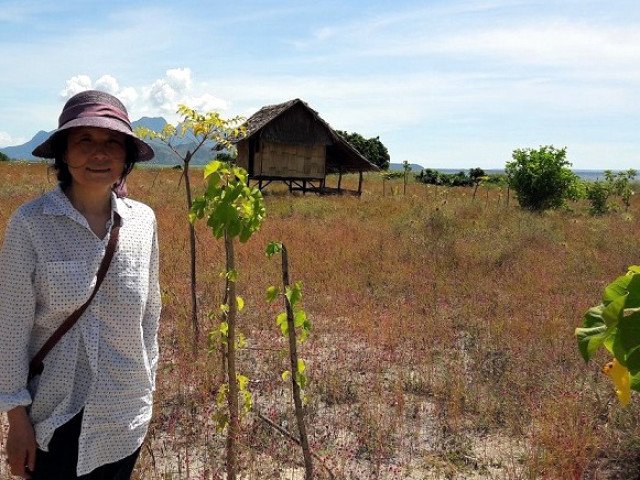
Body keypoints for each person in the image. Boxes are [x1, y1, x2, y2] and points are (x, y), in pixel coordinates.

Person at [0, 90, 161, 479]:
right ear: (63, 153)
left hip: (124, 416)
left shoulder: (142, 223)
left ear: (125, 157)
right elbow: (10, 329)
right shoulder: (31, 224)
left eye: (111, 142)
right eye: (84, 140)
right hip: (53, 418)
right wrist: (15, 419)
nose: (99, 153)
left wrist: (147, 390)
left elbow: (150, 316)